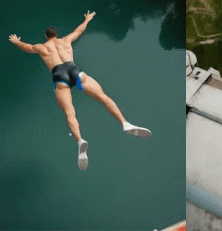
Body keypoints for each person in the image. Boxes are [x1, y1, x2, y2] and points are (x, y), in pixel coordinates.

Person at [8, 12, 151, 170]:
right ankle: (125, 123)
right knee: (103, 97)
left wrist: (16, 41)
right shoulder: (66, 41)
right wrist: (87, 19)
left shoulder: (41, 47)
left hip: (59, 76)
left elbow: (26, 47)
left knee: (70, 112)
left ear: (46, 36)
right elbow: (79, 31)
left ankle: (80, 141)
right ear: (56, 35)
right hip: (75, 71)